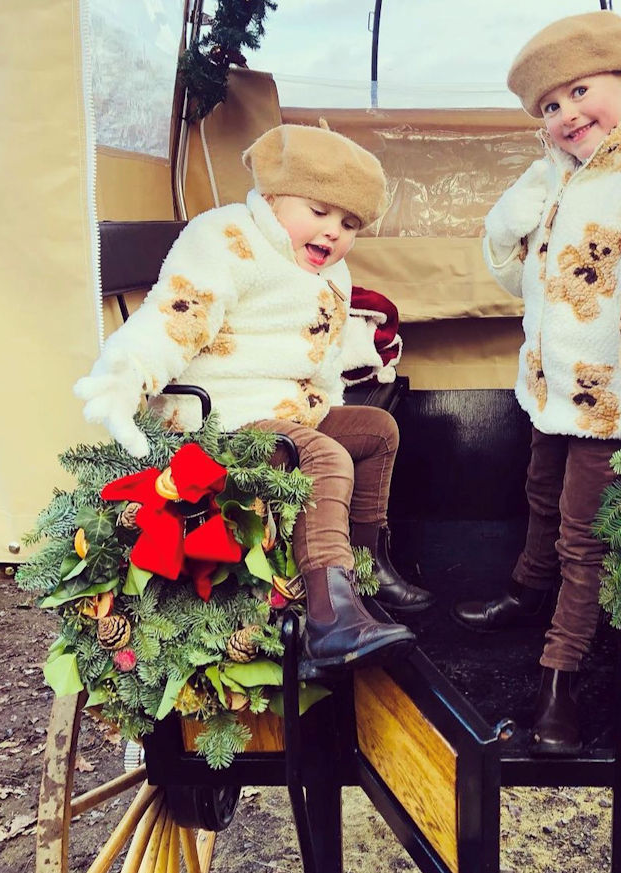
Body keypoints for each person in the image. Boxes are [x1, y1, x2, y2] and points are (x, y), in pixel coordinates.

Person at [74, 123, 434, 676]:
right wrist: (128, 374)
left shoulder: (326, 266)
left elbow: (323, 346)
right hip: (221, 415)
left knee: (377, 431)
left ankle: (364, 567)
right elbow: (179, 312)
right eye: (319, 211)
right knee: (325, 456)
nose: (334, 233)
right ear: (272, 196)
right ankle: (329, 615)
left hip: (286, 409)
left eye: (349, 224)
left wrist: (330, 395)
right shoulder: (228, 237)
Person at [452, 11, 621, 754]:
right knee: (538, 494)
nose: (565, 115)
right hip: (550, 384)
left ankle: (559, 672)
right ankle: (528, 589)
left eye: (579, 92)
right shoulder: (553, 175)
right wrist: (505, 229)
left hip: (618, 397)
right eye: (549, 106)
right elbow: (517, 280)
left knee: (582, 535)